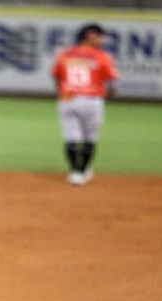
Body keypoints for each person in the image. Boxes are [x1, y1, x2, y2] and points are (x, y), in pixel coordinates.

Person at [50, 23, 119, 186]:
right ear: (91, 37)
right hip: (92, 100)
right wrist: (108, 96)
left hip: (68, 99)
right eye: (100, 37)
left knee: (71, 137)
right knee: (90, 137)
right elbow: (112, 83)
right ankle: (83, 169)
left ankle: (75, 173)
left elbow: (56, 76)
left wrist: (62, 93)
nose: (102, 40)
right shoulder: (101, 56)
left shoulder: (65, 55)